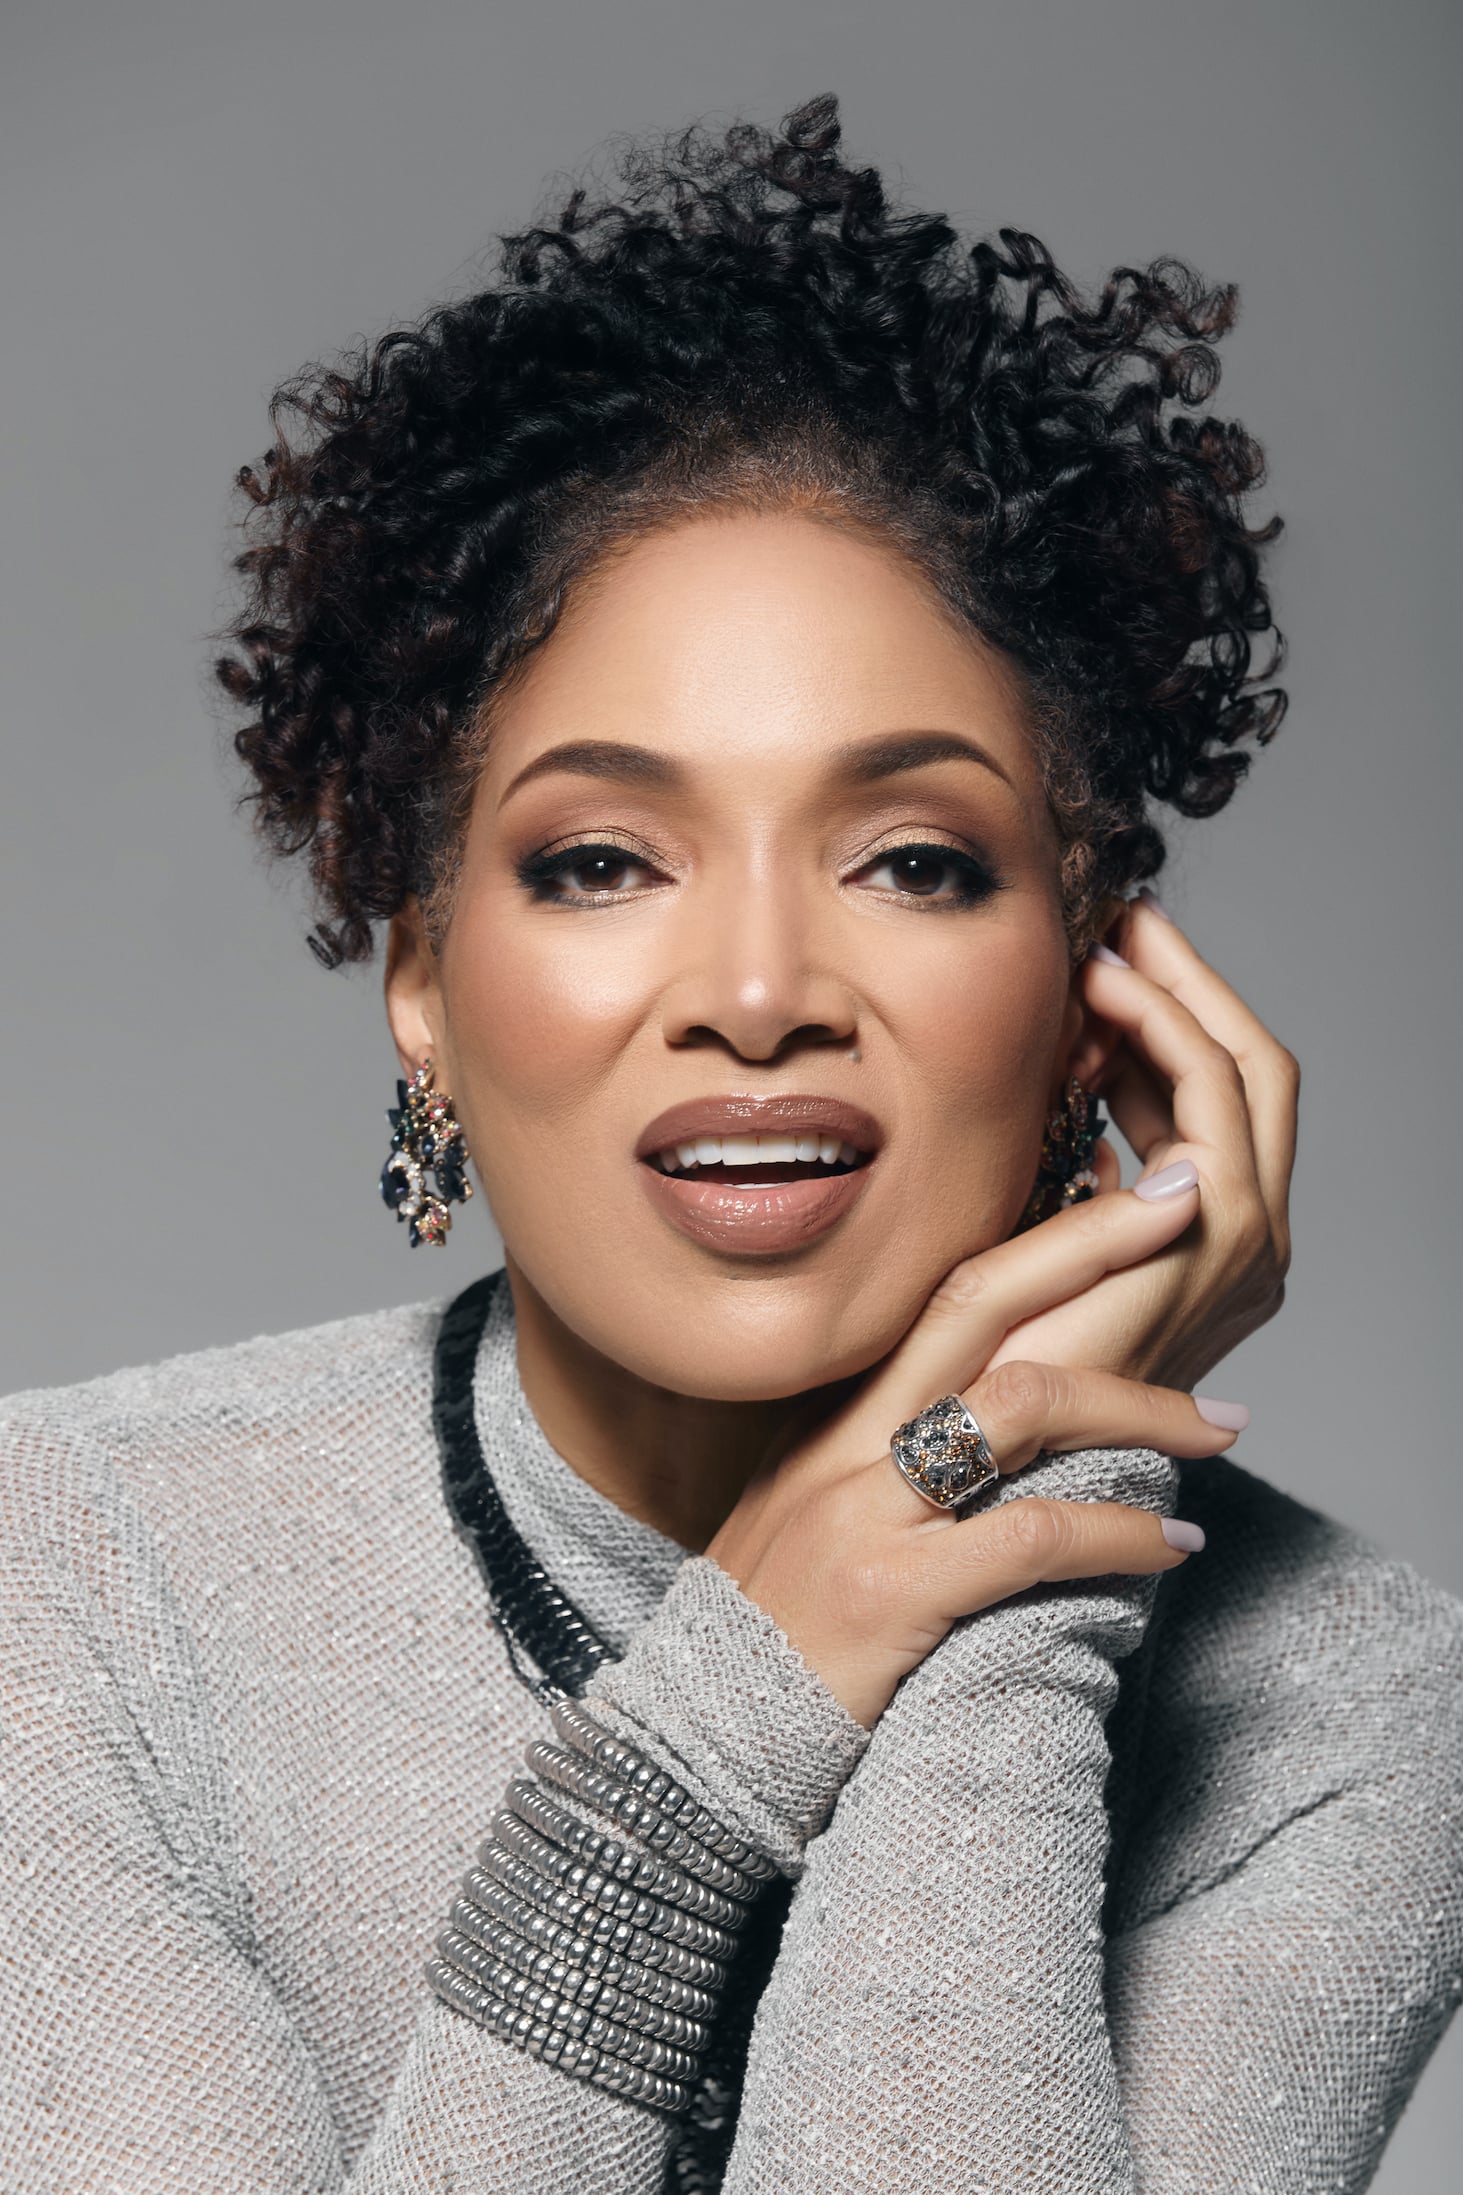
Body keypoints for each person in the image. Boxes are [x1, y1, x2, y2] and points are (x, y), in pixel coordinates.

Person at [2, 93, 1459, 2195]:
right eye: (602, 861)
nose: (759, 987)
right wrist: (705, 1753)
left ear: (1094, 987)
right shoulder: (68, 1578)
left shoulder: (1353, 1711)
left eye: (915, 862)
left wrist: (1027, 1526)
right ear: (423, 980)